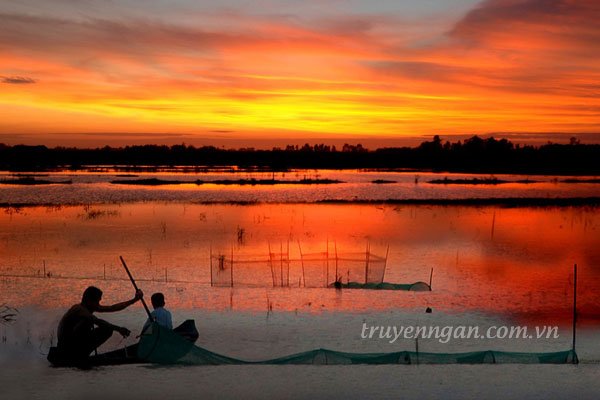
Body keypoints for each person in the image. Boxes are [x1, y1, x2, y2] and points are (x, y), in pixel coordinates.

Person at [56, 286, 143, 362]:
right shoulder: (79, 309)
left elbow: (112, 308)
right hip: (66, 346)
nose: (98, 303)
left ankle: (81, 354)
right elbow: (98, 321)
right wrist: (119, 329)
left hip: (72, 343)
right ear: (89, 300)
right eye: (97, 301)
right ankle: (78, 355)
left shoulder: (89, 307)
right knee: (105, 328)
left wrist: (134, 300)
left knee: (106, 328)